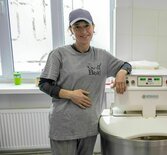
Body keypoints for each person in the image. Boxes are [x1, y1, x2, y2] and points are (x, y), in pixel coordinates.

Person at [38, 8, 132, 155]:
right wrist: (70, 94)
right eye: (77, 27)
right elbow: (44, 84)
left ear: (93, 27)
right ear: (71, 30)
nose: (83, 31)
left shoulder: (102, 56)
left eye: (86, 26)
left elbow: (126, 65)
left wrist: (121, 73)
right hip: (64, 124)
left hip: (89, 125)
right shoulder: (59, 54)